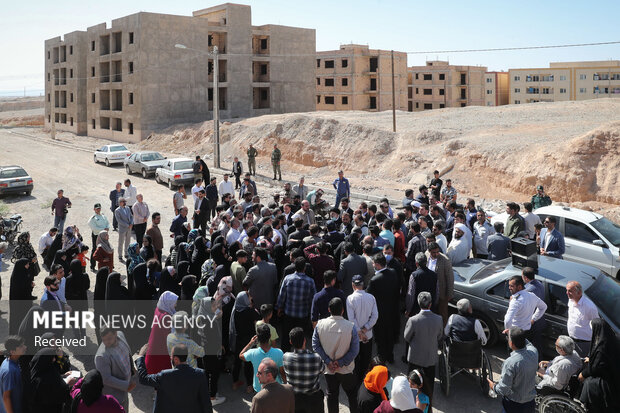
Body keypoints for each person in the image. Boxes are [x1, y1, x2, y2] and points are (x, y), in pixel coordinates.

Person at [312, 297, 359, 413]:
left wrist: (328, 361)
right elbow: (355, 350)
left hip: (329, 369)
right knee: (352, 394)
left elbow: (315, 346)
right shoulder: (351, 326)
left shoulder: (320, 325)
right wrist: (341, 362)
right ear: (343, 310)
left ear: (329, 309)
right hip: (346, 370)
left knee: (332, 394)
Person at [136, 343, 212, 413]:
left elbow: (144, 378)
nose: (170, 358)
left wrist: (140, 357)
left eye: (171, 356)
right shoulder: (200, 374)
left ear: (176, 359)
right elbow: (206, 402)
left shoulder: (165, 375)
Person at [488, 327, 538, 413]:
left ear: (511, 344)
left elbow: (503, 389)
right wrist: (516, 335)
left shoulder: (510, 363)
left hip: (514, 404)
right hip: (530, 401)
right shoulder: (533, 351)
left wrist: (493, 386)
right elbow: (527, 343)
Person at [404, 292, 443, 404]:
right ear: (430, 304)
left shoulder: (413, 320)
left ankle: (411, 401)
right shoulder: (438, 319)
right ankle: (427, 401)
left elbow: (407, 337)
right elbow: (440, 336)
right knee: (429, 381)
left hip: (415, 356)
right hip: (430, 356)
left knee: (412, 382)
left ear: (418, 303)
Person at [578, 318, 620, 413]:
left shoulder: (601, 346)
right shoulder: (612, 340)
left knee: (588, 386)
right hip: (615, 379)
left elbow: (595, 368)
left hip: (605, 386)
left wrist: (584, 374)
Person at [277, 257, 316, 353]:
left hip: (288, 314)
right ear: (304, 268)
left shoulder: (287, 279)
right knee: (299, 338)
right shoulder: (310, 281)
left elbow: (282, 296)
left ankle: (285, 357)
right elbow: (313, 299)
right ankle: (299, 357)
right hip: (302, 316)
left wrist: (279, 308)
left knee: (286, 337)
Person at [282, 327, 325, 413]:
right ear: (305, 340)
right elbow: (322, 370)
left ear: (290, 342)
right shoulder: (316, 358)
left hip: (295, 399)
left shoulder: (285, 357)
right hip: (313, 399)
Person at [367, 254, 400, 364]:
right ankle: (390, 356)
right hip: (392, 311)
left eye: (373, 264)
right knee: (390, 335)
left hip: (379, 314)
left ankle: (382, 358)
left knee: (380, 337)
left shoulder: (374, 280)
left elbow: (368, 296)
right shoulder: (393, 273)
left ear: (377, 264)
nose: (372, 265)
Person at [94, 328, 135, 412]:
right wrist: (126, 385)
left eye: (109, 339)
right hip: (115, 394)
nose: (106, 342)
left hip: (124, 389)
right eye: (103, 340)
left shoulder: (121, 334)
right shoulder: (101, 357)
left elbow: (128, 354)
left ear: (115, 334)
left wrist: (132, 367)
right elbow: (106, 379)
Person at [346, 274, 378, 381]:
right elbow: (375, 316)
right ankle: (364, 379)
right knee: (366, 359)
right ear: (363, 285)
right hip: (368, 335)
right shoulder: (371, 297)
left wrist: (360, 332)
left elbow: (351, 319)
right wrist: (365, 329)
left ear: (353, 285)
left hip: (355, 336)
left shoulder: (350, 298)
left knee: (355, 359)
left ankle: (355, 380)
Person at [503, 276, 547, 353]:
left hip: (515, 334)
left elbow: (507, 320)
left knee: (514, 355)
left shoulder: (516, 301)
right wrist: (534, 319)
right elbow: (543, 307)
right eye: (509, 285)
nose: (509, 288)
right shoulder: (531, 295)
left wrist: (508, 332)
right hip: (527, 332)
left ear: (519, 287)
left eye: (511, 286)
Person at [240, 324, 286, 394]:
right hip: (276, 387)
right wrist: (285, 384)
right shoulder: (279, 352)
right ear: (270, 336)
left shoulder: (252, 353)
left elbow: (241, 355)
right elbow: (282, 373)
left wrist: (250, 343)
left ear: (257, 338)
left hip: (259, 389)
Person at [29, 347, 75, 413]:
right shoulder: (44, 380)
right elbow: (57, 394)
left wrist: (63, 375)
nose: (54, 359)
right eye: (52, 357)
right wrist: (67, 384)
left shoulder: (35, 372)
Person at [145, 291, 178, 374]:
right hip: (160, 355)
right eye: (174, 303)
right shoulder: (166, 317)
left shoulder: (159, 309)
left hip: (153, 351)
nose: (176, 305)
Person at [566, 281, 599, 356]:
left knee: (581, 364)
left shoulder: (589, 307)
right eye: (567, 290)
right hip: (571, 340)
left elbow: (596, 326)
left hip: (583, 343)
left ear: (579, 293)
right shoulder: (570, 300)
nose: (567, 293)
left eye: (570, 291)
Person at [405, 252, 438, 317]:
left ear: (416, 263)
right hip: (430, 308)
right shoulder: (434, 275)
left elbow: (411, 294)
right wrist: (434, 305)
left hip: (416, 310)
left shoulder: (414, 275)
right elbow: (437, 293)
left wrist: (408, 309)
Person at [0, 336, 26, 413]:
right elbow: (6, 397)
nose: (25, 347)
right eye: (21, 346)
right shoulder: (9, 371)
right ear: (12, 352)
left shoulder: (12, 361)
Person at [9, 258, 35, 335]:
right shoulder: (18, 277)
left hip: (24, 301)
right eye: (26, 264)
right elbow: (22, 289)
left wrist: (30, 286)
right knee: (19, 319)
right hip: (20, 303)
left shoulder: (22, 273)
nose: (28, 266)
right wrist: (30, 286)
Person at [87, 204, 109, 271]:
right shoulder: (93, 218)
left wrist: (107, 228)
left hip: (104, 235)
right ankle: (92, 266)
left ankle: (105, 264)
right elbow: (93, 227)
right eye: (97, 208)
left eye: (99, 208)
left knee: (105, 248)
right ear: (94, 209)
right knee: (95, 249)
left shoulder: (103, 216)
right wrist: (103, 229)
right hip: (96, 235)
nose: (98, 210)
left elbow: (107, 223)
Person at [113, 198, 133, 262]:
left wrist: (131, 223)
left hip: (129, 228)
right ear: (120, 203)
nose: (125, 203)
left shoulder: (127, 208)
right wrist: (127, 225)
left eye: (125, 201)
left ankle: (126, 253)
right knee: (121, 242)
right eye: (123, 202)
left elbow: (131, 216)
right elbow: (119, 220)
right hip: (122, 228)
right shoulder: (117, 210)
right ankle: (120, 255)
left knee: (128, 241)